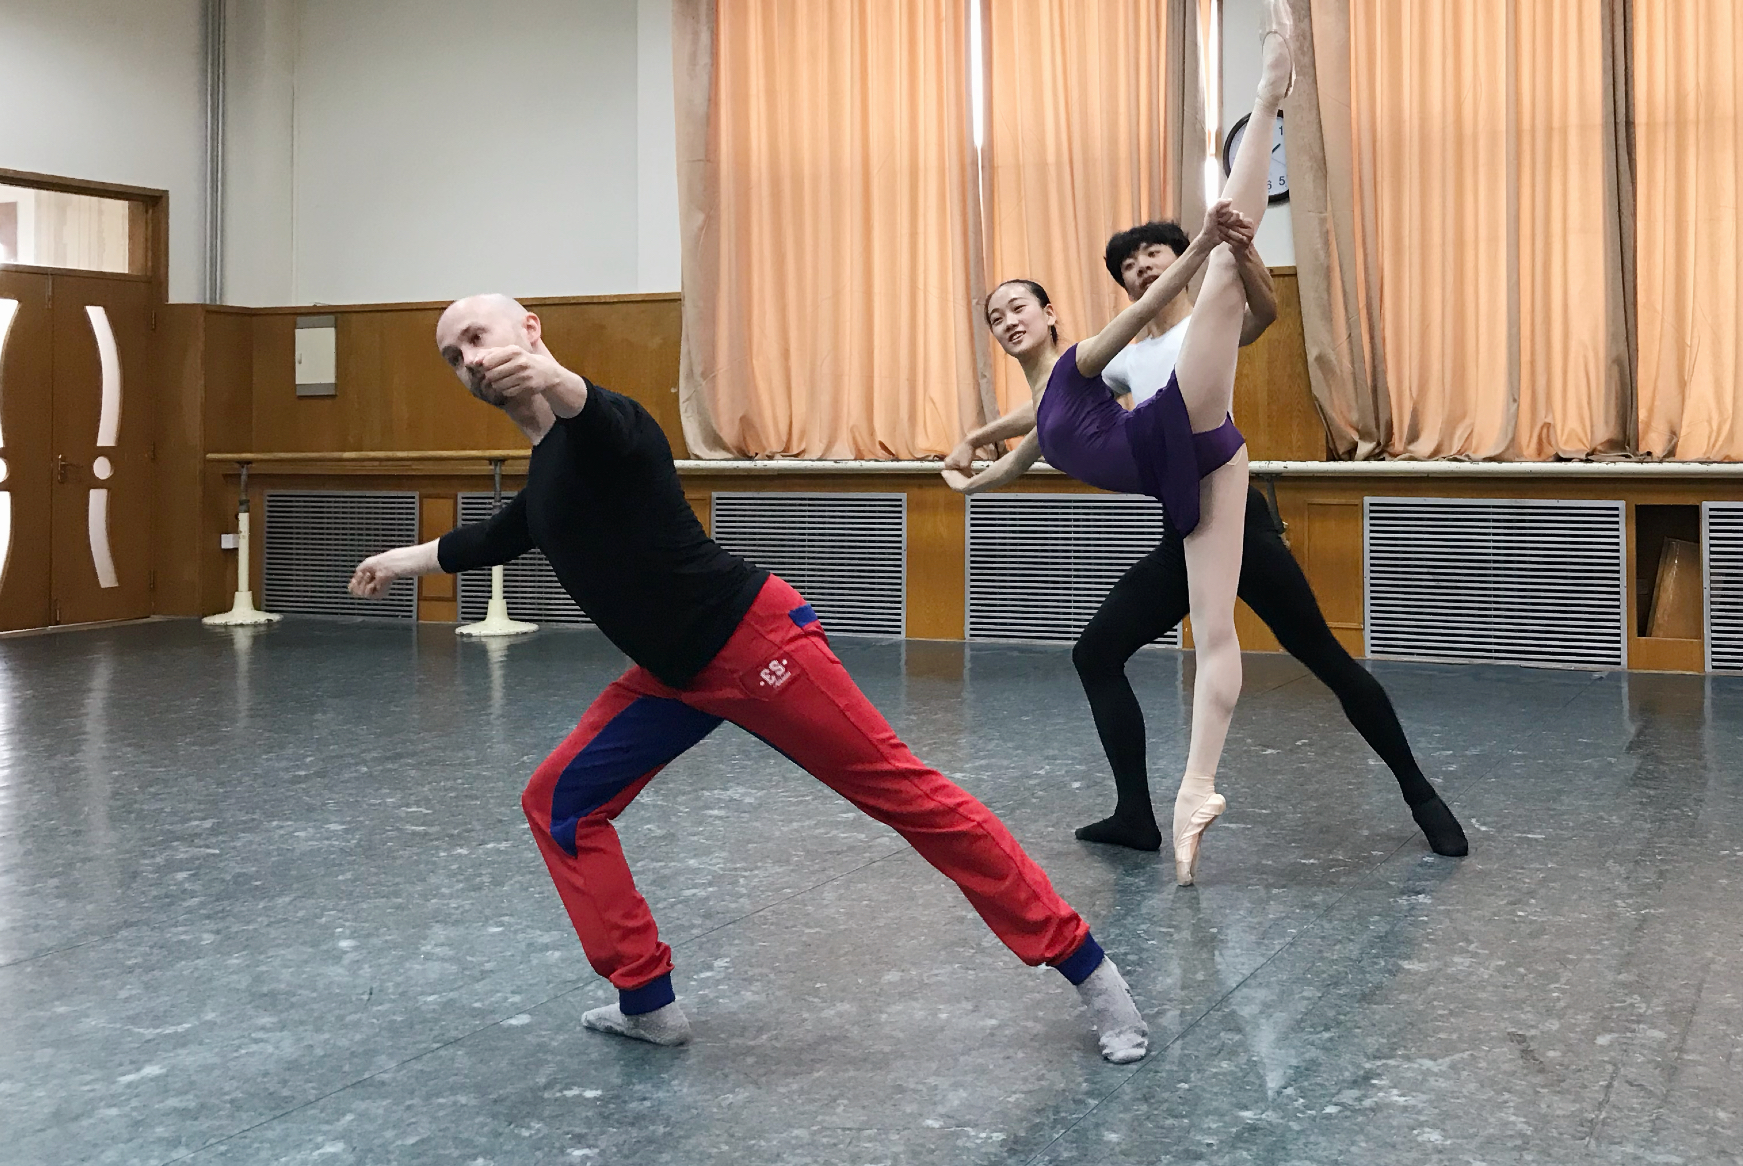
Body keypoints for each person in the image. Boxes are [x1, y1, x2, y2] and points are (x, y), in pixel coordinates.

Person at [347, 294, 1149, 1064]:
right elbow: (494, 535)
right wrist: (398, 559)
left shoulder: (602, 424)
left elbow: (600, 415)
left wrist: (552, 378)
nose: (471, 360)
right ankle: (647, 1001)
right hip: (670, 674)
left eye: (480, 337)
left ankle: (1093, 973)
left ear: (528, 327)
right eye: (454, 356)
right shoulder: (549, 465)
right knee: (560, 803)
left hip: (756, 643)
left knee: (910, 797)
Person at [956, 219, 1468, 859]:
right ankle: (1134, 817)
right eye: (1130, 262)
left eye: (1154, 255)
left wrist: (1241, 253)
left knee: (1320, 655)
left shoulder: (1207, 327)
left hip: (1236, 519)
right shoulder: (1124, 358)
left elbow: (1266, 312)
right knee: (1096, 652)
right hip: (1185, 529)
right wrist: (980, 442)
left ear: (1178, 264)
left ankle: (1421, 794)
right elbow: (1052, 406)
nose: (1142, 266)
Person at [944, 0, 1295, 887]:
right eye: (994, 316)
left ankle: (1270, 85)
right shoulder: (1056, 404)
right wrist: (965, 476)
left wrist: (1207, 244)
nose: (1007, 318)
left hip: (1187, 419)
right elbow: (1027, 451)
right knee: (1215, 633)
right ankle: (1192, 797)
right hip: (1201, 477)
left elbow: (1143, 309)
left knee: (1219, 276)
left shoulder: (1085, 361)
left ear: (1049, 313)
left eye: (1017, 305)